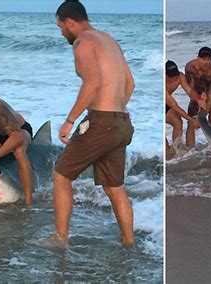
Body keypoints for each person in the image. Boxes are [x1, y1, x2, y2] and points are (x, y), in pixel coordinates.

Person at [45, 0, 135, 247]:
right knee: (114, 187)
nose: (61, 32)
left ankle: (60, 238)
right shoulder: (109, 40)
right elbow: (130, 85)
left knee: (61, 174)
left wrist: (69, 121)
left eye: (60, 26)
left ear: (70, 22)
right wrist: (114, 113)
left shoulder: (83, 43)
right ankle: (129, 242)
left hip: (102, 123)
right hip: (121, 122)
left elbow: (92, 83)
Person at [165, 60, 205, 158]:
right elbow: (175, 106)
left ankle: (176, 150)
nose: (174, 78)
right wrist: (192, 120)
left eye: (175, 75)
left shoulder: (180, 76)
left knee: (178, 123)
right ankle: (166, 152)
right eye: (171, 76)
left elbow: (190, 91)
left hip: (167, 104)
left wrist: (199, 99)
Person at [185, 46, 211, 148]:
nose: (206, 62)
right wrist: (197, 99)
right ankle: (190, 150)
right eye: (203, 59)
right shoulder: (190, 67)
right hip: (196, 93)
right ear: (198, 58)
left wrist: (202, 116)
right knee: (191, 123)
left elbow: (210, 96)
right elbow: (190, 87)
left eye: (209, 59)